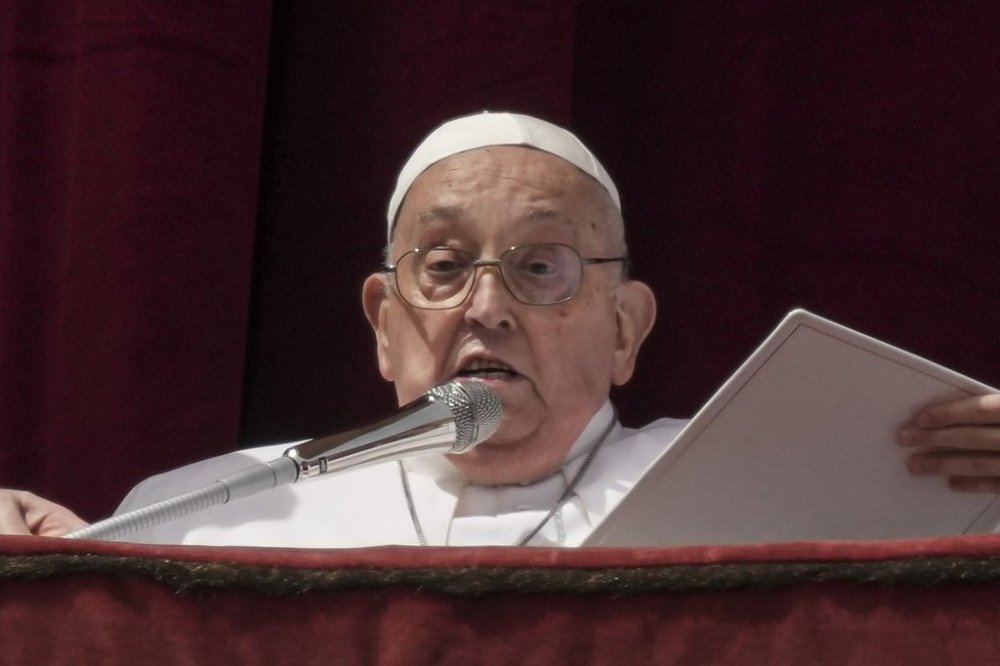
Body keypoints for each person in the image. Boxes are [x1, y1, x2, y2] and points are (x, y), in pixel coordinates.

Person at [1, 112, 999, 545]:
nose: (486, 306)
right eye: (442, 269)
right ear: (386, 326)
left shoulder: (788, 486)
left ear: (624, 328)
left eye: (540, 268)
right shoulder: (207, 516)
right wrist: (61, 580)